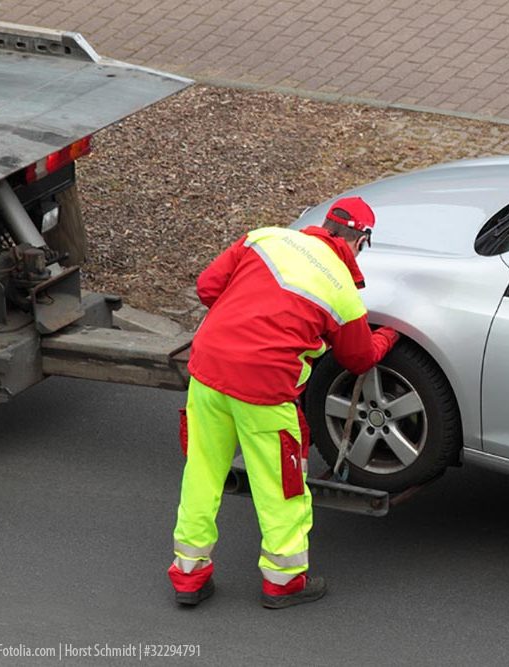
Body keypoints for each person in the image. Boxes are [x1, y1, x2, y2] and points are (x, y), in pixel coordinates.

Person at [168, 196, 399, 609]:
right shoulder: (340, 288)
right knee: (281, 486)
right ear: (360, 240)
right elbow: (359, 358)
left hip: (207, 370)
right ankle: (284, 581)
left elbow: (207, 288)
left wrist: (245, 316)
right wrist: (388, 336)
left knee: (202, 473)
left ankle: (189, 575)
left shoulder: (265, 237)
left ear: (326, 223)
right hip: (265, 389)